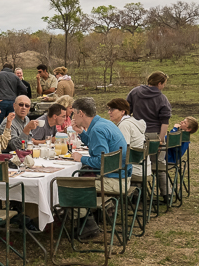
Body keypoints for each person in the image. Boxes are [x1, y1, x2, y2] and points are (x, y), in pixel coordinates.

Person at [70, 97, 131, 240]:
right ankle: (89, 218)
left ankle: (87, 225)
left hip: (115, 179)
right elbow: (98, 146)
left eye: (73, 113)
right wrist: (81, 132)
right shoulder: (103, 123)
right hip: (121, 174)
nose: (72, 117)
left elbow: (100, 161)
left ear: (81, 113)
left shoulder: (97, 129)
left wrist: (81, 158)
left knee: (73, 184)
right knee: (81, 175)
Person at [126, 71, 172, 200]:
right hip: (154, 134)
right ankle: (166, 194)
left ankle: (136, 194)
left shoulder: (134, 92)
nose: (163, 87)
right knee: (158, 164)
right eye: (163, 84)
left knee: (137, 162)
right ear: (159, 83)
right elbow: (164, 122)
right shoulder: (162, 98)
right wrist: (160, 140)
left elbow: (126, 111)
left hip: (137, 134)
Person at [107, 98, 148, 178]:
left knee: (98, 174)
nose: (109, 112)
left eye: (112, 109)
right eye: (109, 110)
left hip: (133, 170)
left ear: (123, 112)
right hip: (142, 167)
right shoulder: (132, 121)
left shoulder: (124, 125)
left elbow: (121, 151)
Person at [0, 62, 27, 129]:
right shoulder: (15, 76)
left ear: (3, 68)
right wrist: (17, 95)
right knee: (11, 123)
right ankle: (10, 137)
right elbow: (24, 89)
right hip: (13, 102)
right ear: (11, 69)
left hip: (1, 101)